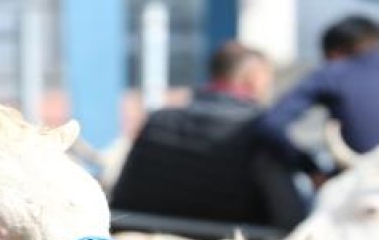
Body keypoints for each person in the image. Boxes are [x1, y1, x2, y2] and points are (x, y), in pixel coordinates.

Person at [256, 14, 379, 177]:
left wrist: (311, 169)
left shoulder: (335, 74)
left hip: (360, 191)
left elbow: (271, 124)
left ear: (335, 54)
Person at [109, 41, 277, 225]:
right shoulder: (259, 128)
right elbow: (289, 213)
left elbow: (122, 197)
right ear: (254, 78)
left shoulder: (159, 120)